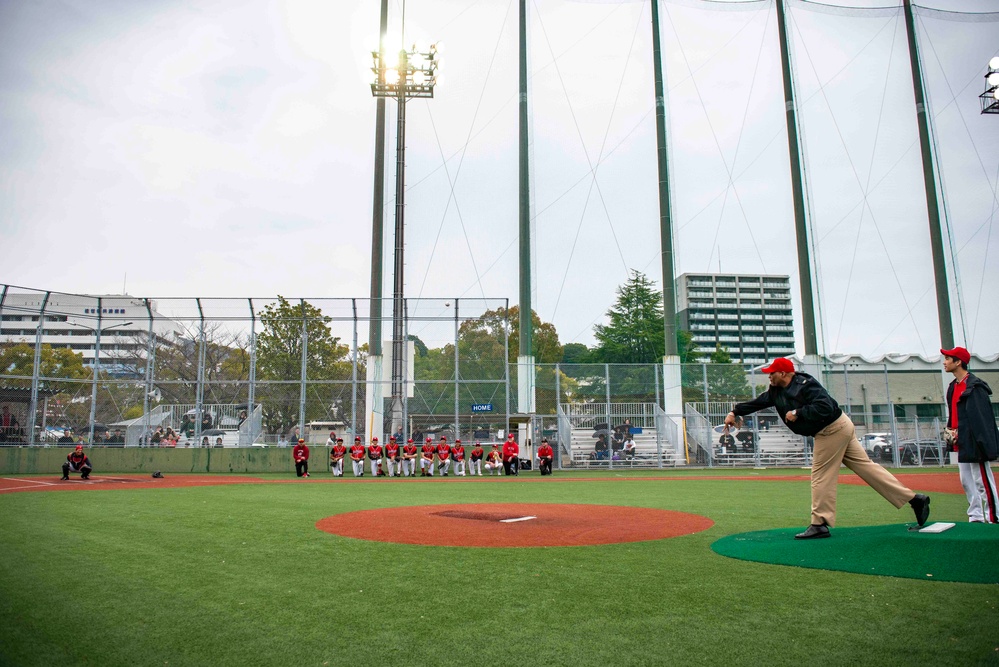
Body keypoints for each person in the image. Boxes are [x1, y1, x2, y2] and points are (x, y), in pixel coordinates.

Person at [725, 357, 930, 539]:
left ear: (784, 373)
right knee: (866, 467)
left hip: (832, 429)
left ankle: (819, 524)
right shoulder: (776, 390)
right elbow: (759, 402)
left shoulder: (806, 384)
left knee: (821, 475)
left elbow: (826, 406)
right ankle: (915, 500)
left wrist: (799, 412)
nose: (769, 377)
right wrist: (735, 412)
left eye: (772, 373)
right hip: (837, 427)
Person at [942, 346, 999, 523]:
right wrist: (950, 430)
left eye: (948, 359)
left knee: (982, 480)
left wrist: (983, 443)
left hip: (974, 441)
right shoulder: (953, 386)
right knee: (966, 481)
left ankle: (993, 516)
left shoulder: (975, 386)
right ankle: (975, 515)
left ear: (958, 362)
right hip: (962, 441)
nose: (944, 362)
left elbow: (983, 419)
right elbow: (954, 414)